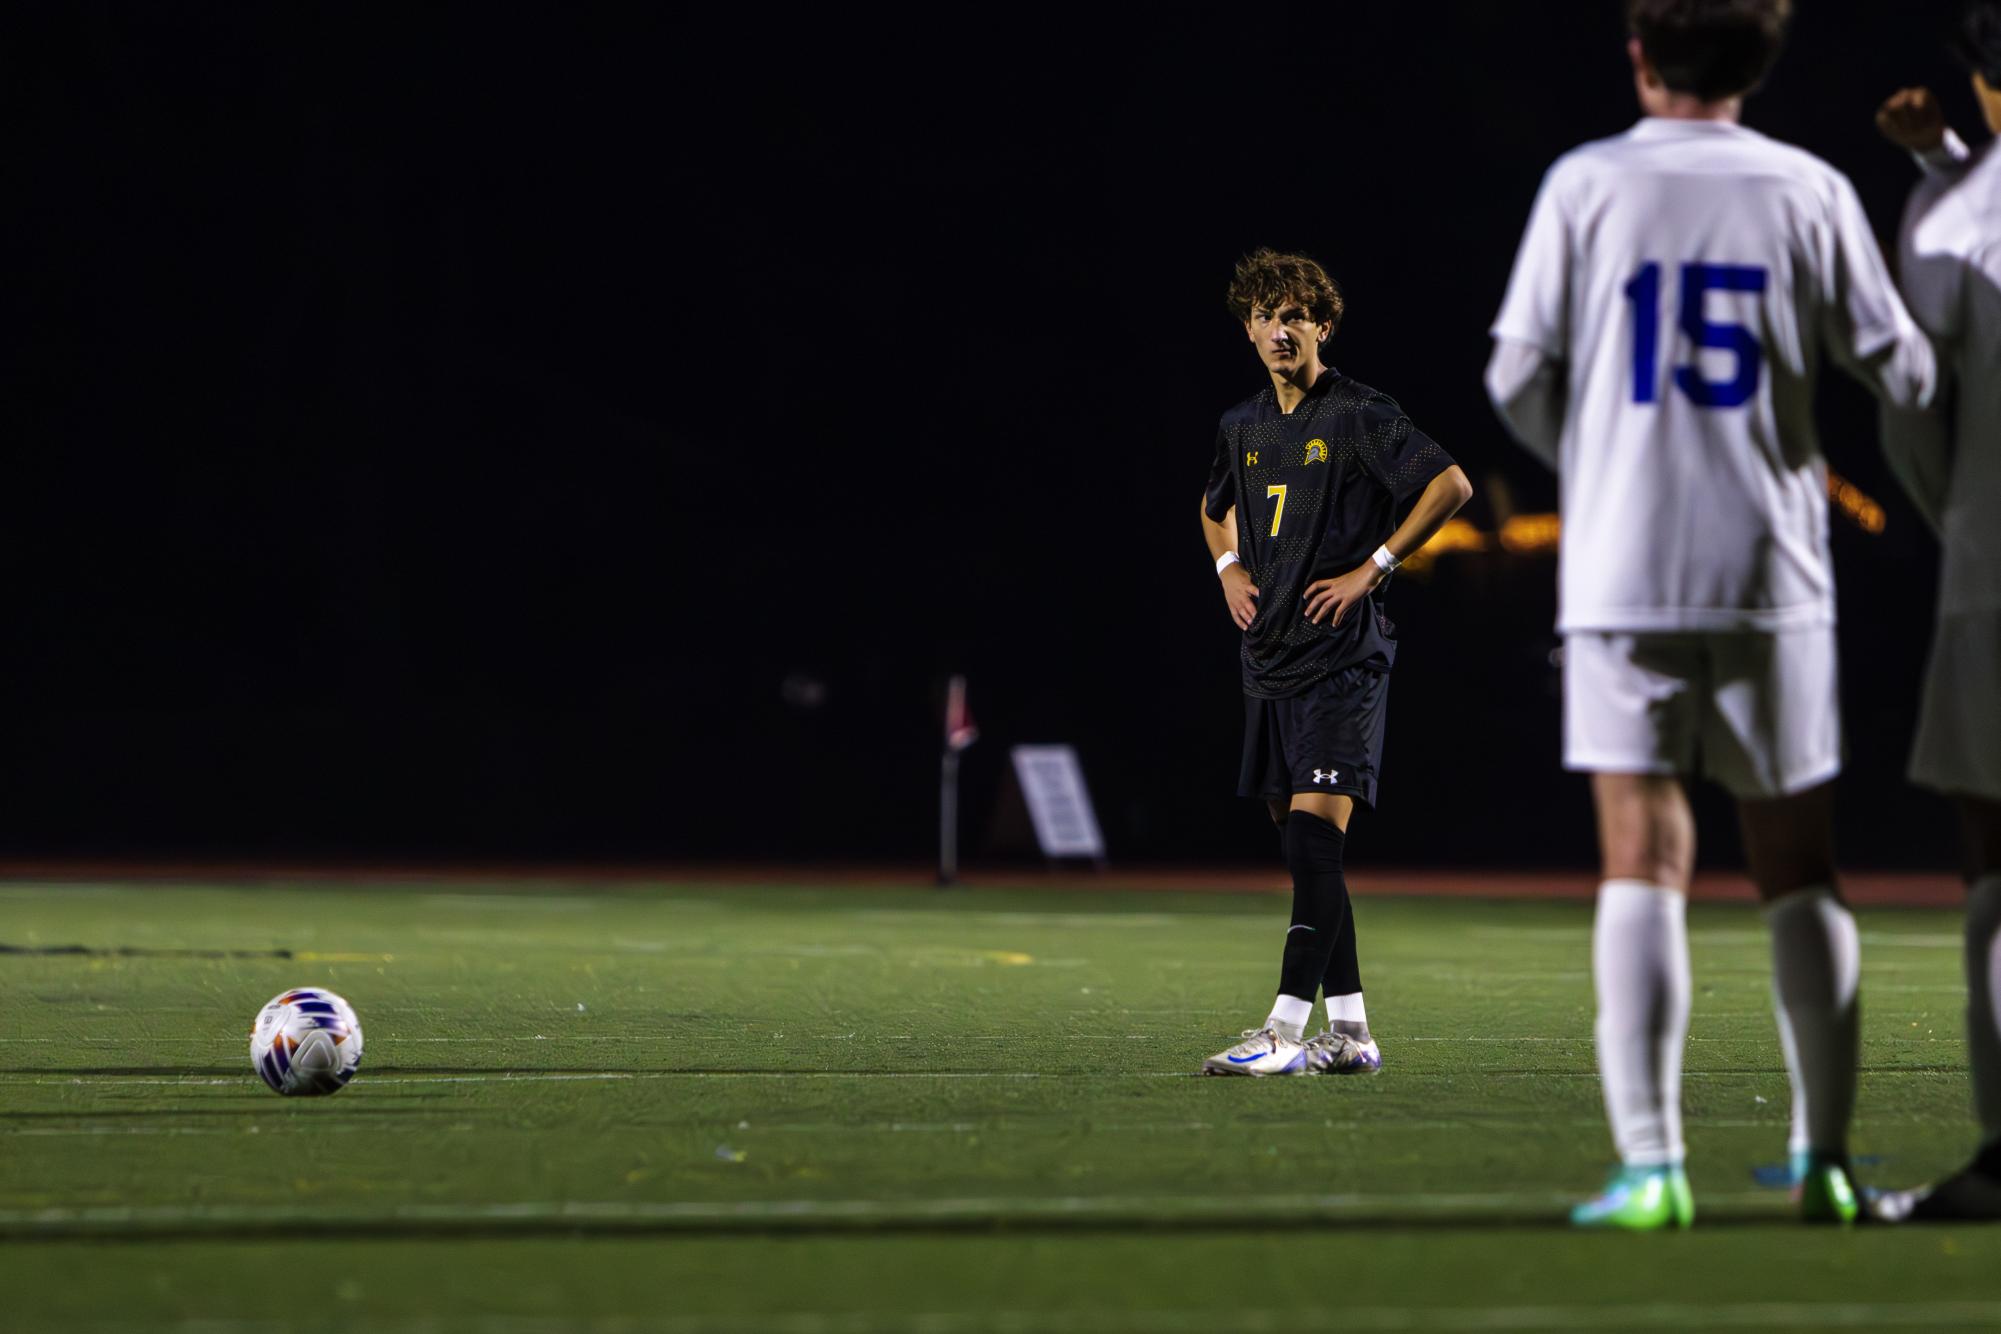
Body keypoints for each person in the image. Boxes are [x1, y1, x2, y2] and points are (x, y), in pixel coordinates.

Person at [1486, 0, 1938, 1227]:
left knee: (1641, 859)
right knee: (1800, 867)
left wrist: (1604, 462)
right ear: (1765, 59)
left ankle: (1653, 1166)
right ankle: (1829, 1160)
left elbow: (1516, 375)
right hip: (1772, 570)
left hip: (1624, 569)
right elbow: (1903, 367)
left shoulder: (1587, 183)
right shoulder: (1805, 187)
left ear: (1638, 54)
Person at [1198, 247, 1472, 1078]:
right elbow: (1212, 512)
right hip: (1269, 654)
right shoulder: (1240, 426)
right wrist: (1229, 571)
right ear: (1246, 328)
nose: (1280, 330)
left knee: (1315, 843)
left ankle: (1281, 1032)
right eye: (1265, 316)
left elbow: (1449, 486)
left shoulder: (1357, 412)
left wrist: (1372, 570)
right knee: (1305, 851)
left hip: (1342, 657)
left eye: (1295, 316)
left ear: (1323, 323)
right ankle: (1349, 1033)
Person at [1870, 0, 2001, 1224]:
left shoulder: (1952, 217)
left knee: (1996, 864)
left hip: (1994, 568)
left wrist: (1953, 514)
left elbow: (1914, 411)